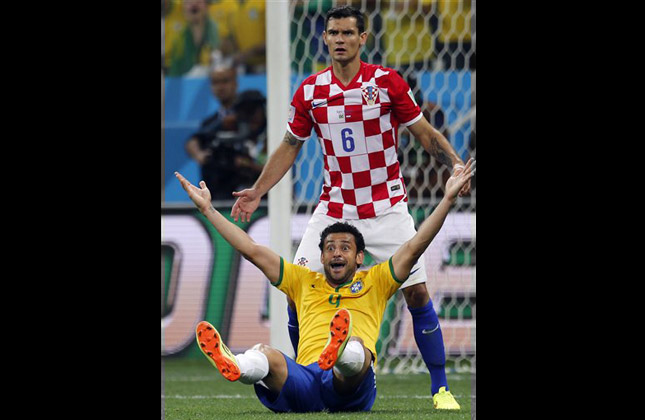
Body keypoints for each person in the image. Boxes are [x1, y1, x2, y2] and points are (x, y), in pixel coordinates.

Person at [230, 5, 469, 409]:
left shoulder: (387, 83)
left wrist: (455, 163)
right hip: (335, 210)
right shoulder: (310, 91)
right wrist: (257, 191)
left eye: (347, 33)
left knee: (417, 294)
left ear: (363, 38)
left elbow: (425, 134)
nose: (339, 39)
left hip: (387, 208)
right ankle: (309, 370)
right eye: (332, 32)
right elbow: (291, 146)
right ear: (324, 38)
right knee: (296, 292)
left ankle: (440, 389)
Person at [174, 158, 474, 413]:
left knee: (357, 350)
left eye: (345, 248)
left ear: (360, 257)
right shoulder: (303, 280)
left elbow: (415, 245)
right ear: (321, 257)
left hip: (350, 388)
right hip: (307, 381)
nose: (336, 253)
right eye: (330, 248)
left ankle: (341, 351)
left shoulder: (377, 279)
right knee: (267, 354)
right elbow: (250, 249)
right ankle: (238, 366)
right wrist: (209, 211)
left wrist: (447, 200)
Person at [185, 65, 266, 200]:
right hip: (222, 192)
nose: (221, 87)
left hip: (258, 192)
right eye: (216, 82)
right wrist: (200, 155)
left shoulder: (253, 109)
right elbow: (194, 140)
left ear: (235, 83)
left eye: (225, 81)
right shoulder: (209, 123)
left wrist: (246, 163)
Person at [166, 0, 220, 77]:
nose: (194, 5)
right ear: (183, 8)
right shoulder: (179, 38)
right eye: (188, 2)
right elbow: (175, 71)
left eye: (198, 2)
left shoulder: (217, 31)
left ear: (207, 6)